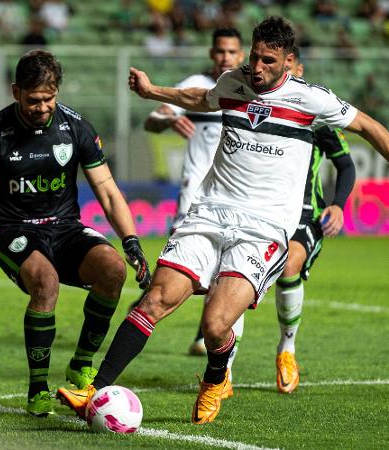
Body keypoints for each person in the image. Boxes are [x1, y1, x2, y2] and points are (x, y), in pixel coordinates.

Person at [57, 16, 389, 425]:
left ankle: (216, 379)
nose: (258, 67)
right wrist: (151, 91)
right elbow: (200, 98)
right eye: (254, 56)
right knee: (155, 299)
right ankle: (91, 391)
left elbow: (370, 126)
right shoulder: (235, 82)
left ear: (288, 61)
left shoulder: (311, 100)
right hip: (209, 213)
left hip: (263, 229)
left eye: (269, 60)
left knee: (216, 326)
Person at [0, 49, 151, 417]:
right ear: (15, 92)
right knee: (46, 282)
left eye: (49, 98)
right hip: (14, 232)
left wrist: (131, 241)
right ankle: (37, 388)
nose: (42, 107)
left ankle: (81, 364)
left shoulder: (76, 127)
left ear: (57, 91)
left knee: (112, 269)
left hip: (65, 228)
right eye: (33, 100)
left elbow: (108, 191)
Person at [227, 47, 357, 395]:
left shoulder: (316, 114)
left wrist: (339, 205)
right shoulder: (256, 106)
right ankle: (224, 368)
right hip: (259, 210)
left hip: (304, 215)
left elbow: (345, 164)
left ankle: (287, 349)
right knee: (234, 276)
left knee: (288, 266)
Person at [130, 27, 245, 399]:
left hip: (234, 202)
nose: (225, 58)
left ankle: (223, 367)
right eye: (220, 51)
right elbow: (152, 120)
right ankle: (165, 319)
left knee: (231, 277)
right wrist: (167, 120)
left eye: (232, 52)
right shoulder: (195, 86)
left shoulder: (247, 93)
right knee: (185, 279)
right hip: (193, 202)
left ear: (241, 56)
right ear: (212, 54)